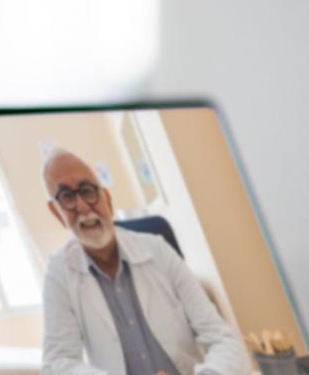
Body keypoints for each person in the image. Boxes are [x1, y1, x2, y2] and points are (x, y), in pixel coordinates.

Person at [40, 148, 250, 375]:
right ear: (56, 212)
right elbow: (57, 362)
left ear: (107, 200)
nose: (82, 206)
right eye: (67, 197)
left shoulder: (158, 249)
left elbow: (221, 337)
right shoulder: (59, 274)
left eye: (87, 190)